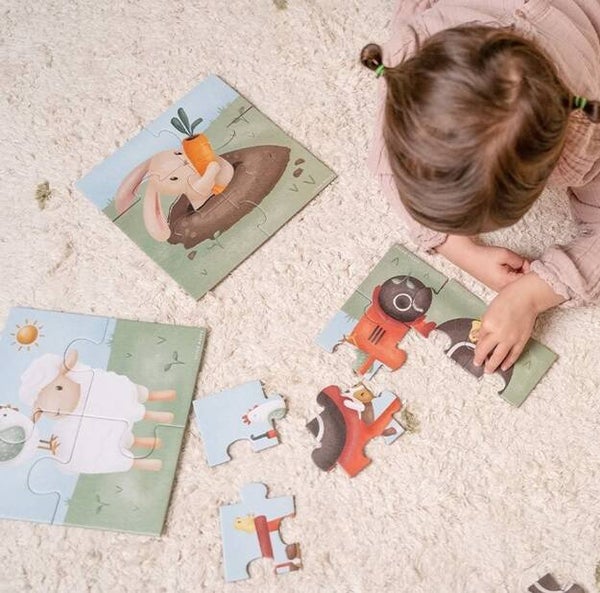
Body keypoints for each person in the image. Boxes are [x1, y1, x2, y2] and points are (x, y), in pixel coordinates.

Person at [362, 0, 600, 374]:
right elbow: (387, 159)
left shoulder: (583, 138)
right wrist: (459, 249)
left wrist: (534, 293)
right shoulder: (411, 64)